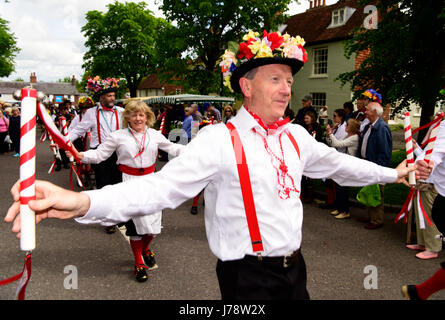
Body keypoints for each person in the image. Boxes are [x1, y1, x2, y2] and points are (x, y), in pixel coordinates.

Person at [6, 30, 424, 300]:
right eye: (275, 78)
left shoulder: (297, 136)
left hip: (295, 271)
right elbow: (157, 190)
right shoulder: (219, 139)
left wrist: (395, 173)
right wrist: (80, 203)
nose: (287, 88)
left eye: (289, 80)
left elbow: (339, 167)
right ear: (246, 85)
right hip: (248, 280)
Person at [67, 100, 185, 282]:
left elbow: (174, 148)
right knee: (136, 226)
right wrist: (79, 155)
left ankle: (146, 248)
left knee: (153, 226)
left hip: (152, 182)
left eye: (141, 114)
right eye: (134, 114)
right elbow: (99, 155)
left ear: (148, 117)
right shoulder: (118, 136)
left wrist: (199, 151)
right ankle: (138, 261)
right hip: (129, 183)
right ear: (127, 117)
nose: (138, 118)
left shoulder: (155, 135)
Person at [68, 76, 124, 234]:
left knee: (119, 185)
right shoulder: (92, 113)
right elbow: (78, 130)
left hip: (119, 152)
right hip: (100, 152)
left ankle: (118, 215)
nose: (112, 98)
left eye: (113, 95)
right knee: (104, 185)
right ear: (101, 97)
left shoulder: (122, 112)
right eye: (109, 96)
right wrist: (63, 142)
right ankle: (107, 220)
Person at [402, 117, 445, 299]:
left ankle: (420, 292)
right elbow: (434, 153)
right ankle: (420, 292)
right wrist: (424, 164)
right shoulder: (443, 127)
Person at [358, 101, 393, 229]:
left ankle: (376, 220)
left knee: (376, 193)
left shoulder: (382, 128)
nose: (365, 111)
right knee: (369, 191)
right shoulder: (369, 126)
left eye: (367, 109)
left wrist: (379, 170)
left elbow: (384, 152)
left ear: (374, 111)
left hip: (376, 167)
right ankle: (369, 216)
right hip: (367, 164)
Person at [326, 118, 361, 219]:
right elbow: (333, 143)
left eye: (347, 125)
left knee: (343, 188)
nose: (345, 127)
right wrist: (329, 135)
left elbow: (337, 144)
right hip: (343, 163)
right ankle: (340, 207)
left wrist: (331, 133)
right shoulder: (348, 136)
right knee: (338, 187)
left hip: (349, 165)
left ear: (352, 128)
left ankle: (345, 211)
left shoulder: (354, 138)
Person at [300, 111, 322, 203]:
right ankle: (304, 194)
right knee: (303, 176)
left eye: (307, 118)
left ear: (312, 119)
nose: (305, 120)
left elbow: (318, 140)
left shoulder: (317, 128)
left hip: (313, 153)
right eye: (305, 118)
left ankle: (310, 196)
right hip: (304, 152)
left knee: (309, 177)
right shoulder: (304, 127)